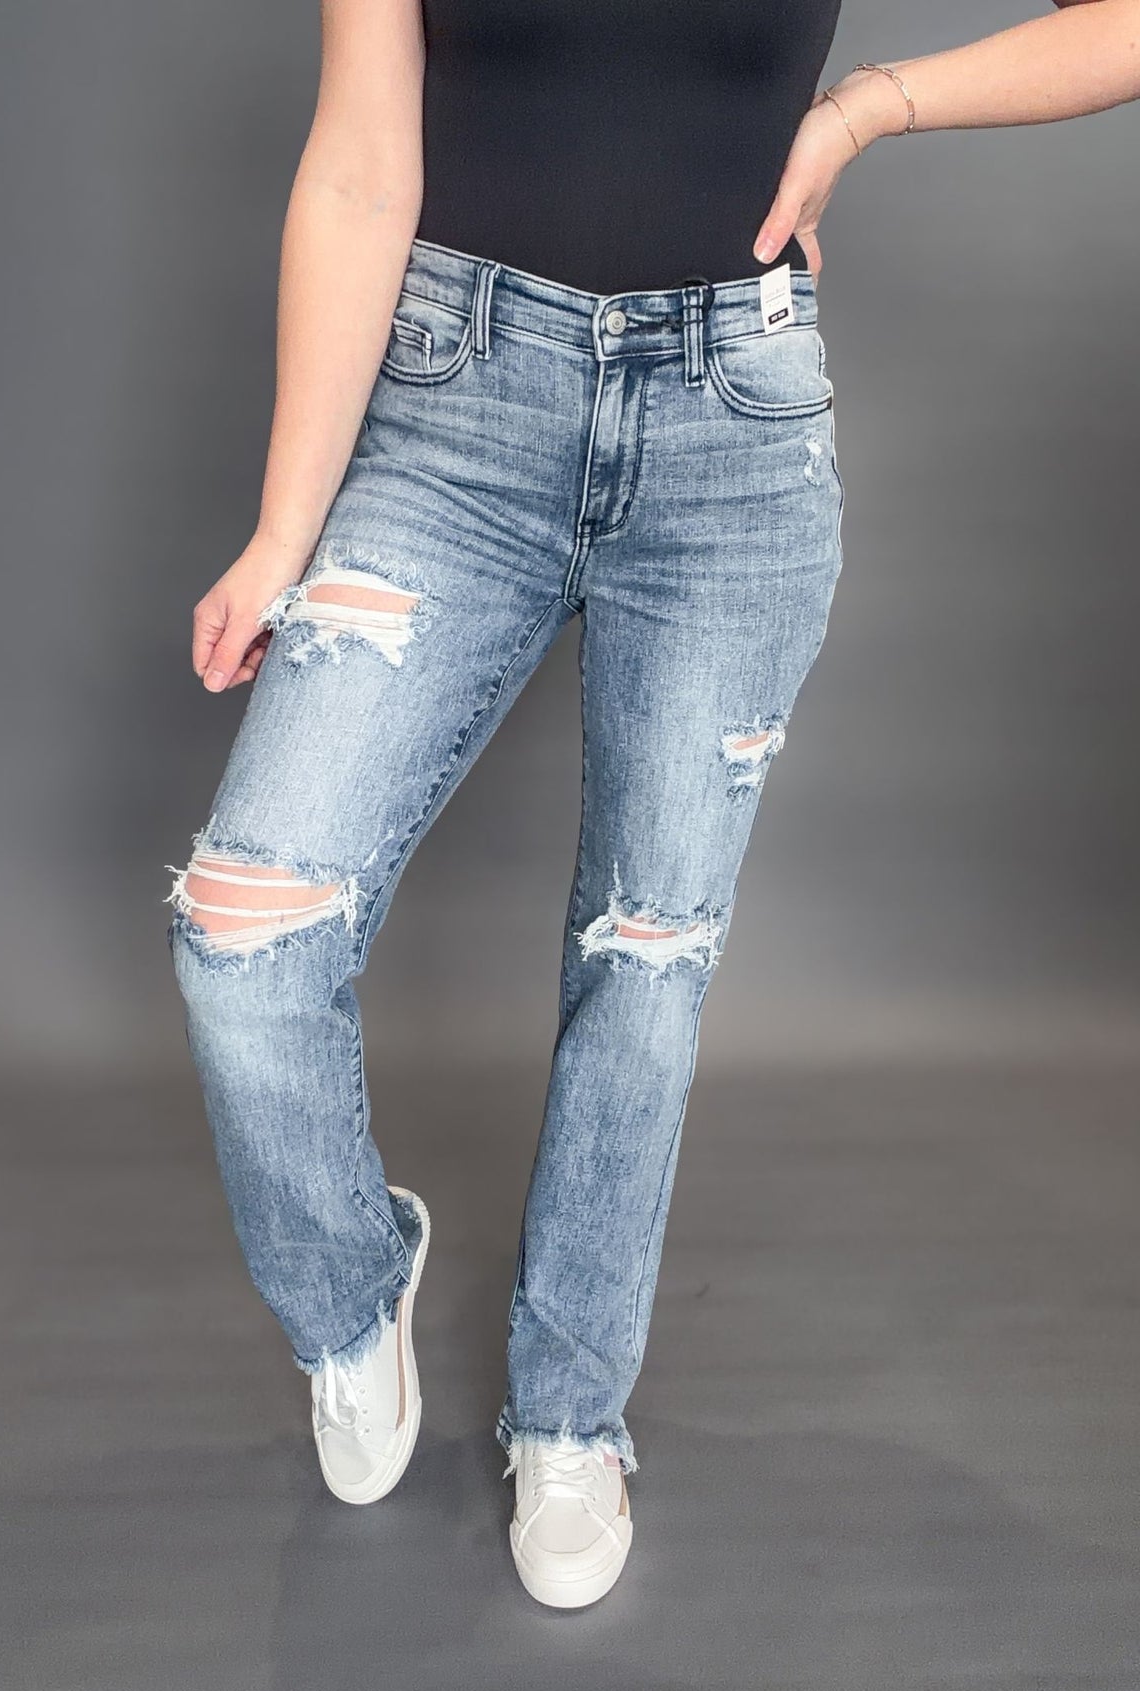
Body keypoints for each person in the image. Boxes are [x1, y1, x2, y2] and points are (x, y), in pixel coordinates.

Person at [165, 0, 1140, 1609]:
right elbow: (356, 163)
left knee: (648, 958)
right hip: (451, 407)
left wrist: (869, 109)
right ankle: (353, 1294)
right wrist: (285, 529)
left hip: (730, 433)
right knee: (241, 936)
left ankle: (571, 1417)